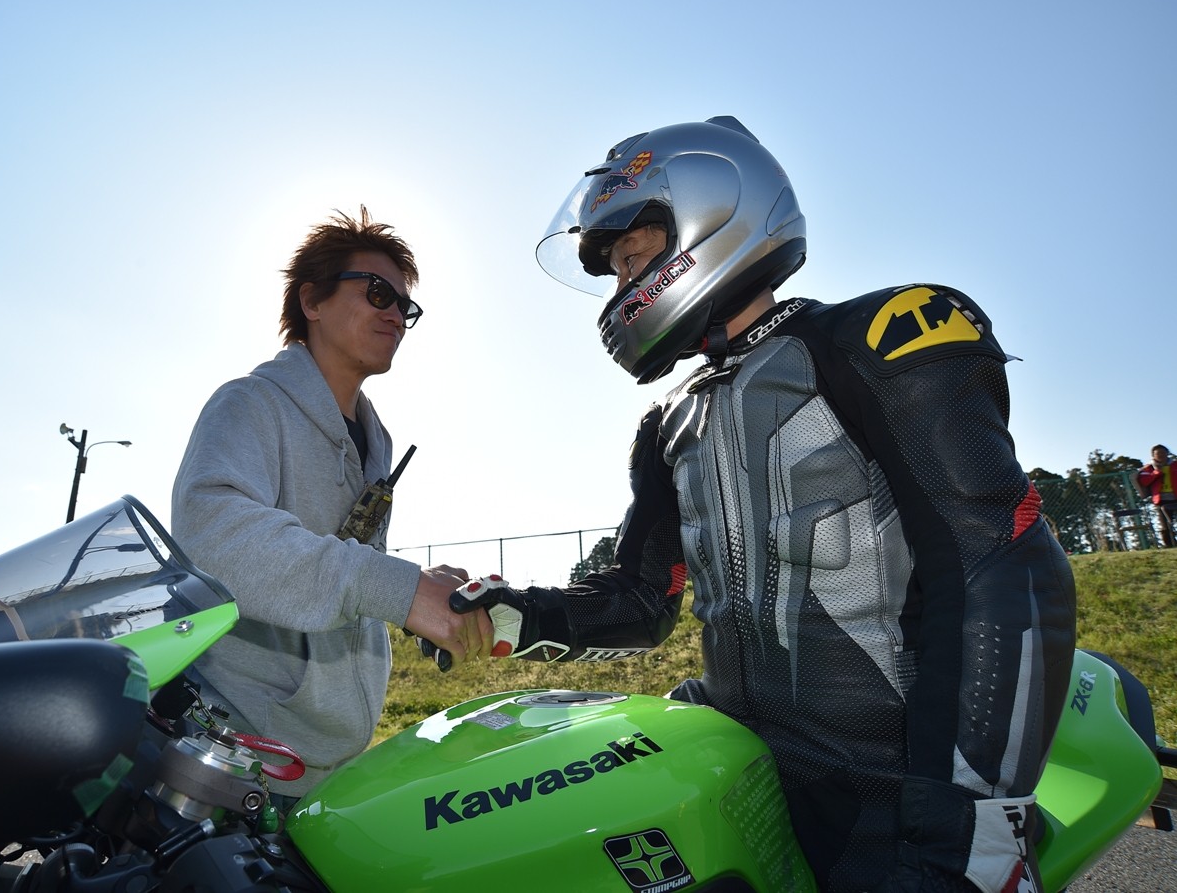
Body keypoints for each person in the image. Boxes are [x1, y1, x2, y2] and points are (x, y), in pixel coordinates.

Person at [442, 118, 1077, 891]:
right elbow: (642, 597)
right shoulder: (667, 423)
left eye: (630, 259)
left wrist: (973, 819)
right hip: (741, 768)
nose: (621, 288)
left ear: (711, 212)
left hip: (894, 788)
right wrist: (520, 613)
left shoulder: (881, 338)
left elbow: (1000, 566)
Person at [172, 206, 492, 806]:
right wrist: (396, 588)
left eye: (405, 307)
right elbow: (211, 535)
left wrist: (418, 590)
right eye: (378, 294)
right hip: (234, 760)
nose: (395, 315)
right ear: (312, 301)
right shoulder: (250, 404)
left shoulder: (377, 440)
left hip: (332, 766)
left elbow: (338, 566)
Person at [1137, 444, 1177, 546]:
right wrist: (1157, 472)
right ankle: (1169, 546)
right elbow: (1144, 481)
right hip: (1161, 500)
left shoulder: (1175, 465)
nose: (1161, 455)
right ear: (1153, 456)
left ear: (1167, 453)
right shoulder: (1148, 468)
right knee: (1165, 525)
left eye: (1163, 453)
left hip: (1175, 497)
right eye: (1158, 453)